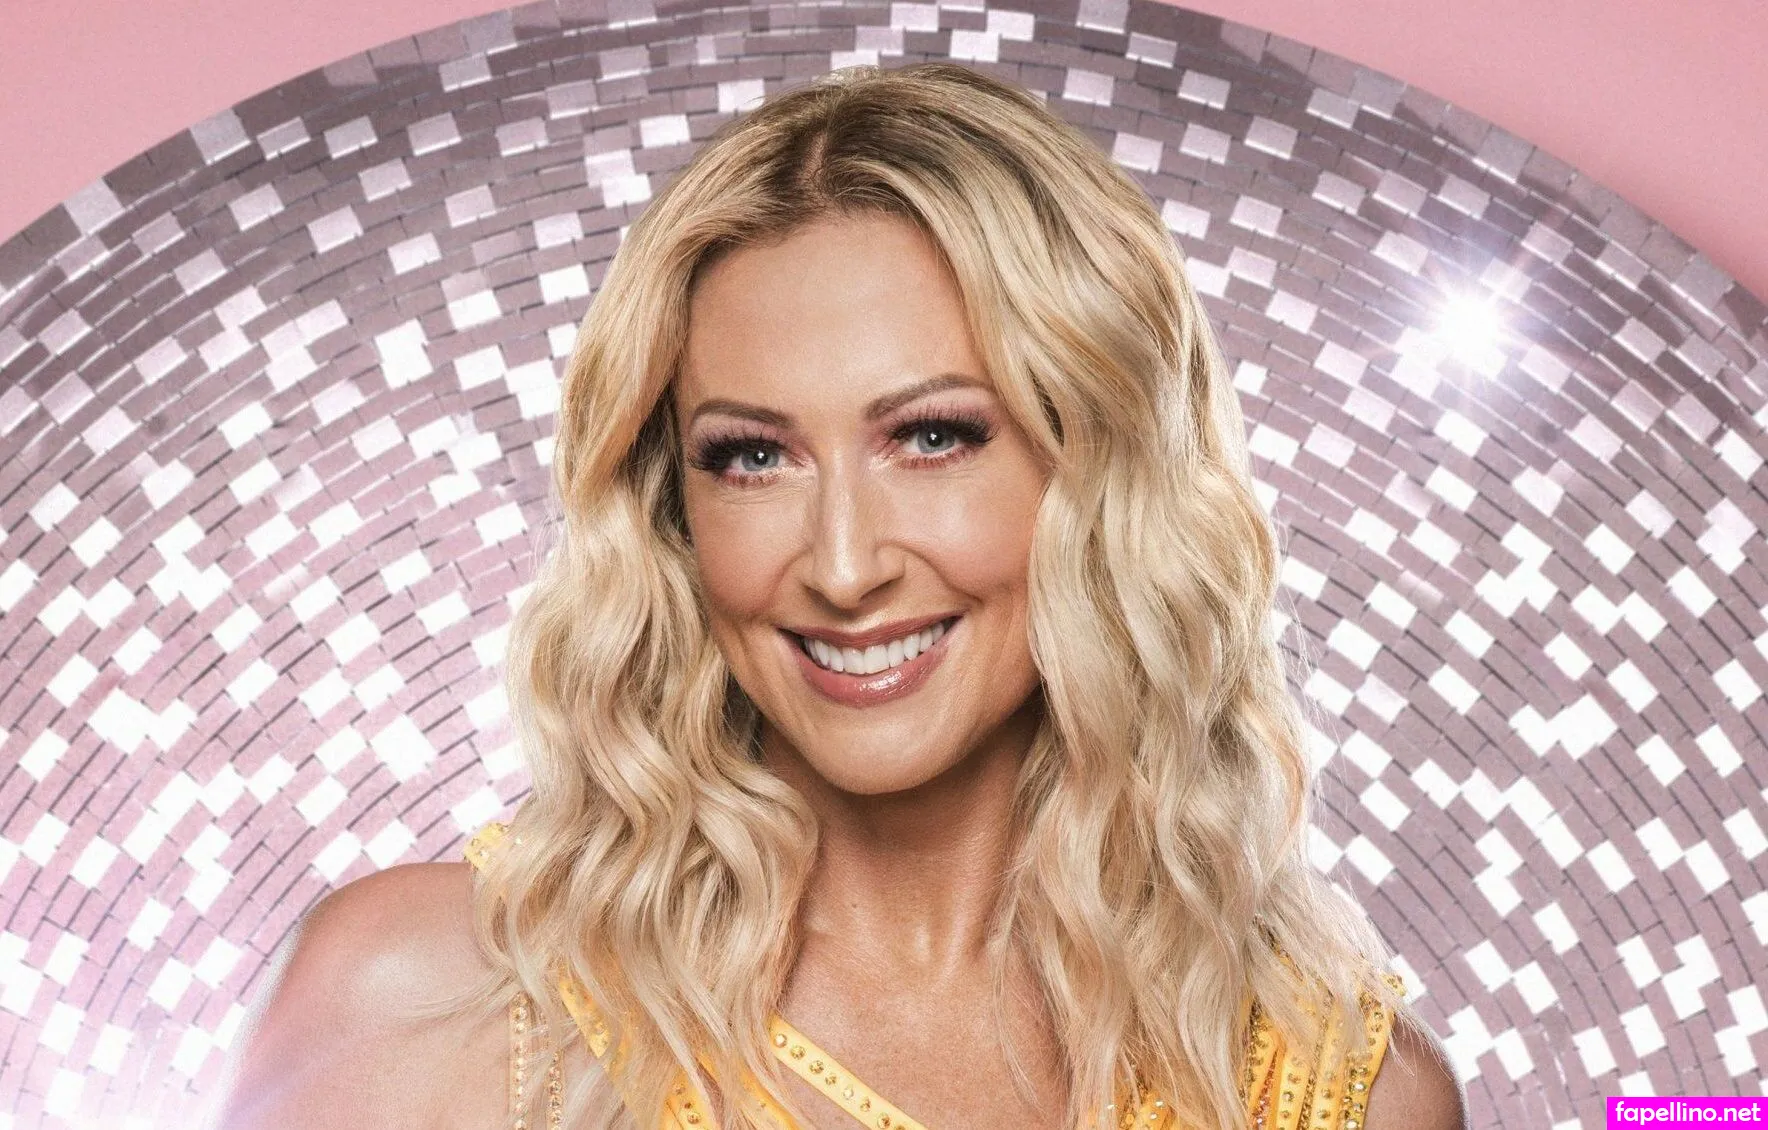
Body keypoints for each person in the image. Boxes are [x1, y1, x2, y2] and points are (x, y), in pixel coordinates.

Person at [212, 62, 1468, 1130]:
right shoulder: (434, 999)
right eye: (751, 456)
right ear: (671, 507)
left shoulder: (1328, 1088)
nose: (844, 564)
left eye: (931, 436)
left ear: (1099, 469)